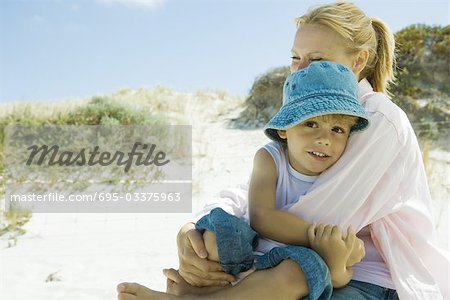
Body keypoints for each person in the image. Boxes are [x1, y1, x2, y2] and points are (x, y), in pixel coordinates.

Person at [118, 2, 449, 299]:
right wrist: (196, 228)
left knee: (288, 273)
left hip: (369, 278)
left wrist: (222, 275)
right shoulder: (306, 111)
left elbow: (320, 222)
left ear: (359, 61)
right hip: (311, 263)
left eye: (317, 59)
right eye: (295, 58)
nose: (301, 70)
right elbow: (262, 186)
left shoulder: (376, 118)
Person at [118, 61, 370, 300]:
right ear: (284, 129)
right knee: (220, 233)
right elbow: (261, 216)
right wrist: (318, 238)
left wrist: (336, 260)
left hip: (280, 272)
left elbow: (340, 275)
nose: (324, 139)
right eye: (311, 123)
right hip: (244, 253)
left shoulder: (343, 173)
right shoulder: (271, 157)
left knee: (304, 271)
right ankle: (199, 291)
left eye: (337, 130)